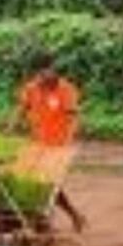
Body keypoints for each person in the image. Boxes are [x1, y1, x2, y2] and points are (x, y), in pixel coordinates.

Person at [7, 52, 87, 232]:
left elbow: (73, 117)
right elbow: (21, 109)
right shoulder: (31, 88)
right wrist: (10, 129)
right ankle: (65, 216)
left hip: (58, 147)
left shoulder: (66, 89)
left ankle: (65, 216)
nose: (41, 78)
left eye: (44, 73)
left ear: (52, 69)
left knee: (49, 184)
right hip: (36, 145)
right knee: (26, 181)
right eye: (37, 75)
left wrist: (68, 140)